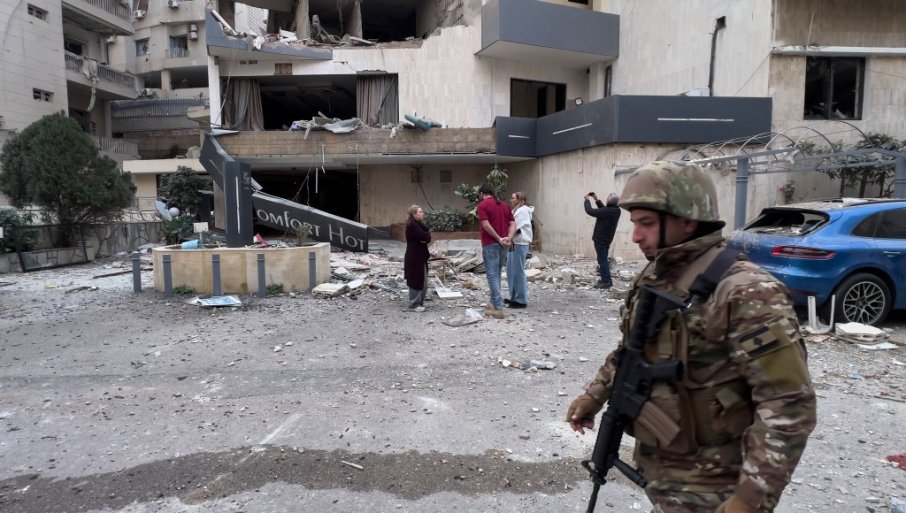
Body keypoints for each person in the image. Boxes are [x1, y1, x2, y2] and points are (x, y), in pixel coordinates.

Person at [566, 161, 816, 513]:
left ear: (687, 220)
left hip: (716, 484)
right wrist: (594, 396)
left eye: (647, 223)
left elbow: (789, 404)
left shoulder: (746, 290)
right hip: (666, 472)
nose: (635, 236)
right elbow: (631, 350)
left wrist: (750, 499)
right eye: (634, 223)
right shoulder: (657, 274)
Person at [477, 183, 515, 319]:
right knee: (497, 273)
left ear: (482, 194)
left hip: (491, 243)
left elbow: (485, 224)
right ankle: (493, 303)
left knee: (492, 275)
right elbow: (512, 223)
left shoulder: (482, 205)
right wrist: (509, 238)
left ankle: (498, 307)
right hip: (504, 244)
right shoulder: (504, 205)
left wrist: (498, 238)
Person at [584, 191, 621, 288]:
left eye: (608, 198)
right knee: (603, 259)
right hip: (607, 239)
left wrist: (587, 200)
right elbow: (604, 209)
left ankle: (607, 282)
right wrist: (596, 199)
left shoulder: (607, 211)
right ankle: (605, 279)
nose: (606, 199)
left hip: (601, 239)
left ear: (610, 201)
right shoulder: (616, 210)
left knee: (602, 260)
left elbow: (590, 211)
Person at [505, 191, 534, 309]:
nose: (511, 200)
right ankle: (513, 296)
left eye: (513, 198)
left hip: (519, 243)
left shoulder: (523, 211)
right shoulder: (516, 210)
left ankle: (521, 299)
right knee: (511, 271)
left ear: (520, 200)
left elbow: (516, 227)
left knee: (518, 271)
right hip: (514, 243)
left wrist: (508, 236)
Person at [403, 204, 431, 312]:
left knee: (422, 280)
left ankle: (419, 303)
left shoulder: (419, 224)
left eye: (422, 211)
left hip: (420, 257)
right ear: (414, 214)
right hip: (414, 258)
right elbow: (424, 237)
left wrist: (425, 238)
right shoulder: (412, 225)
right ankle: (414, 304)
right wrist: (425, 238)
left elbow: (426, 237)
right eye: (420, 212)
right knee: (415, 280)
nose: (423, 213)